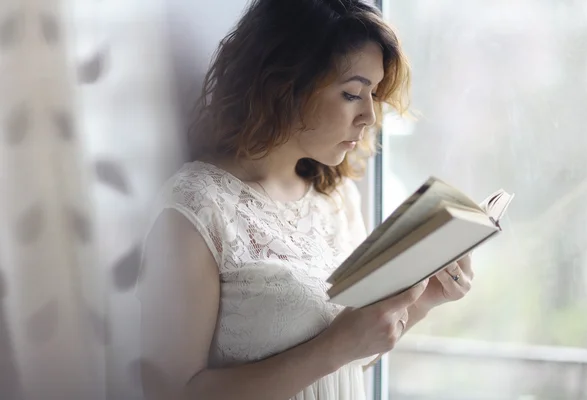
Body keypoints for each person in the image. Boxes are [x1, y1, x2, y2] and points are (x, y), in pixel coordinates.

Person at [136, 0, 474, 399]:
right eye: (352, 94)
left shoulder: (337, 200)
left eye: (374, 95)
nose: (369, 116)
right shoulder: (197, 207)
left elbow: (346, 362)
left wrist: (425, 301)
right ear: (285, 85)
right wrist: (337, 346)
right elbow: (171, 392)